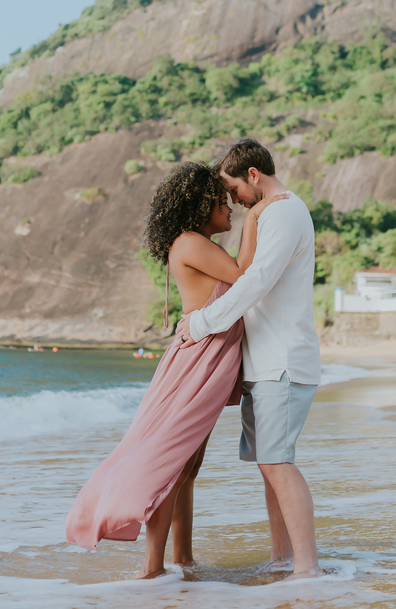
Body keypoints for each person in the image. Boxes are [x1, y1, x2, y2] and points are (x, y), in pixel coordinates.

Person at [65, 161, 287, 578]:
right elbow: (243, 276)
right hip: (196, 362)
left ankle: (181, 560)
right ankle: (152, 567)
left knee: (187, 468)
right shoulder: (189, 242)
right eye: (222, 202)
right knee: (172, 464)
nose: (231, 208)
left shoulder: (195, 243)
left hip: (206, 360)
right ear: (200, 205)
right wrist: (257, 217)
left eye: (233, 202)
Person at [176, 138, 323, 580]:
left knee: (277, 463)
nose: (235, 202)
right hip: (264, 363)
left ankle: (307, 569)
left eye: (234, 190)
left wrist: (201, 324)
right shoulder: (274, 212)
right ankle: (284, 560)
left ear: (253, 176)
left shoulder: (283, 211)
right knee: (268, 466)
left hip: (282, 360)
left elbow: (255, 280)